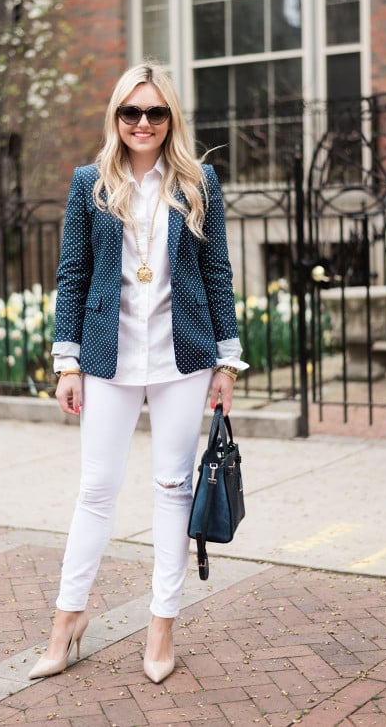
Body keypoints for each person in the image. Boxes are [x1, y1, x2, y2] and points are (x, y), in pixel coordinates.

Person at [28, 62, 247, 684]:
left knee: (173, 489)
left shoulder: (198, 180)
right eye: (131, 112)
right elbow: (72, 275)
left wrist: (226, 361)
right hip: (107, 357)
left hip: (183, 358)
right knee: (95, 491)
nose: (143, 123)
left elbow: (218, 275)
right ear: (116, 118)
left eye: (155, 112)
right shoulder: (89, 182)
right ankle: (66, 623)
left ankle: (161, 627)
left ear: (169, 117)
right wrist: (67, 361)